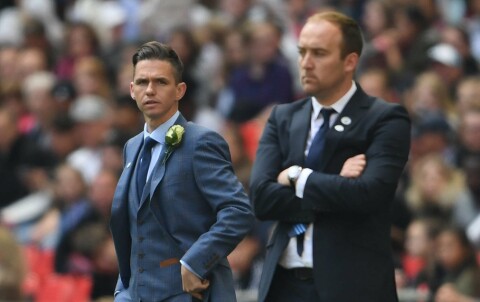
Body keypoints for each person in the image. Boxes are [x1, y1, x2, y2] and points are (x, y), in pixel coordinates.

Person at [249, 11, 411, 302]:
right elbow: (261, 199)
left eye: (319, 53)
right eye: (302, 52)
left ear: (350, 61)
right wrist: (336, 183)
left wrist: (297, 176)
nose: (306, 63)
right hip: (283, 286)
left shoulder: (385, 118)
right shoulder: (283, 117)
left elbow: (367, 195)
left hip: (352, 287)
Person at [110, 41, 254, 302]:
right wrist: (123, 289)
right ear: (132, 90)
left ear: (180, 90)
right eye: (142, 82)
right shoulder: (131, 147)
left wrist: (195, 262)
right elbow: (134, 228)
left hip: (187, 294)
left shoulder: (201, 142)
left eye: (161, 82)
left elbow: (238, 211)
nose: (150, 90)